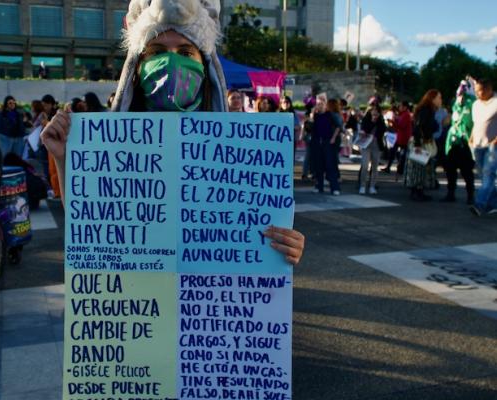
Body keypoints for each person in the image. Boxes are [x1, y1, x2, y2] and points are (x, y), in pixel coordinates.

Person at [41, 0, 304, 266]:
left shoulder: (242, 146)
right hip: (140, 293)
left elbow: (256, 227)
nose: (171, 61)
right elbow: (90, 222)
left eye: (185, 51)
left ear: (206, 65)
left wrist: (286, 246)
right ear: (137, 65)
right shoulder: (110, 141)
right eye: (157, 51)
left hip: (207, 297)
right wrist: (64, 159)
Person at [405, 89, 441, 202]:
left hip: (420, 141)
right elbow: (419, 126)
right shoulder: (426, 110)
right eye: (439, 98)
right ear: (433, 98)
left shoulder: (427, 109)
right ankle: (416, 192)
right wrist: (417, 143)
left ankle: (418, 191)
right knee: (418, 167)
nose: (440, 100)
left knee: (419, 167)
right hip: (420, 142)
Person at [442, 81, 474, 204]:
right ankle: (451, 193)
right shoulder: (456, 104)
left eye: (463, 92)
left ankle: (470, 195)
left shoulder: (472, 103)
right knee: (450, 170)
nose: (460, 96)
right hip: (453, 142)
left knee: (467, 171)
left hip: (466, 142)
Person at [469, 78, 497, 215]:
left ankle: (479, 205)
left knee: (488, 173)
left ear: (488, 90)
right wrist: (471, 138)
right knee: (483, 175)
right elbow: (476, 123)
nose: (476, 93)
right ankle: (493, 203)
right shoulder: (475, 104)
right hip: (477, 144)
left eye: (478, 90)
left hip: (493, 145)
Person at [359, 105, 387, 194]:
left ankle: (372, 186)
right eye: (373, 110)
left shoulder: (381, 121)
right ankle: (362, 185)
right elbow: (364, 129)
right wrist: (371, 122)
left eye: (377, 111)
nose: (375, 113)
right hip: (366, 144)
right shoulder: (366, 119)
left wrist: (377, 122)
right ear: (370, 111)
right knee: (365, 165)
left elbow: (382, 131)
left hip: (376, 145)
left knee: (375, 166)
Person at [383, 101, 411, 174]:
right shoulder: (402, 114)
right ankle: (390, 167)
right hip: (400, 136)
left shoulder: (406, 115)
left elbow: (401, 126)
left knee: (401, 153)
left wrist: (393, 122)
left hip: (404, 137)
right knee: (395, 152)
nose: (399, 107)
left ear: (405, 107)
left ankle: (400, 168)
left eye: (400, 106)